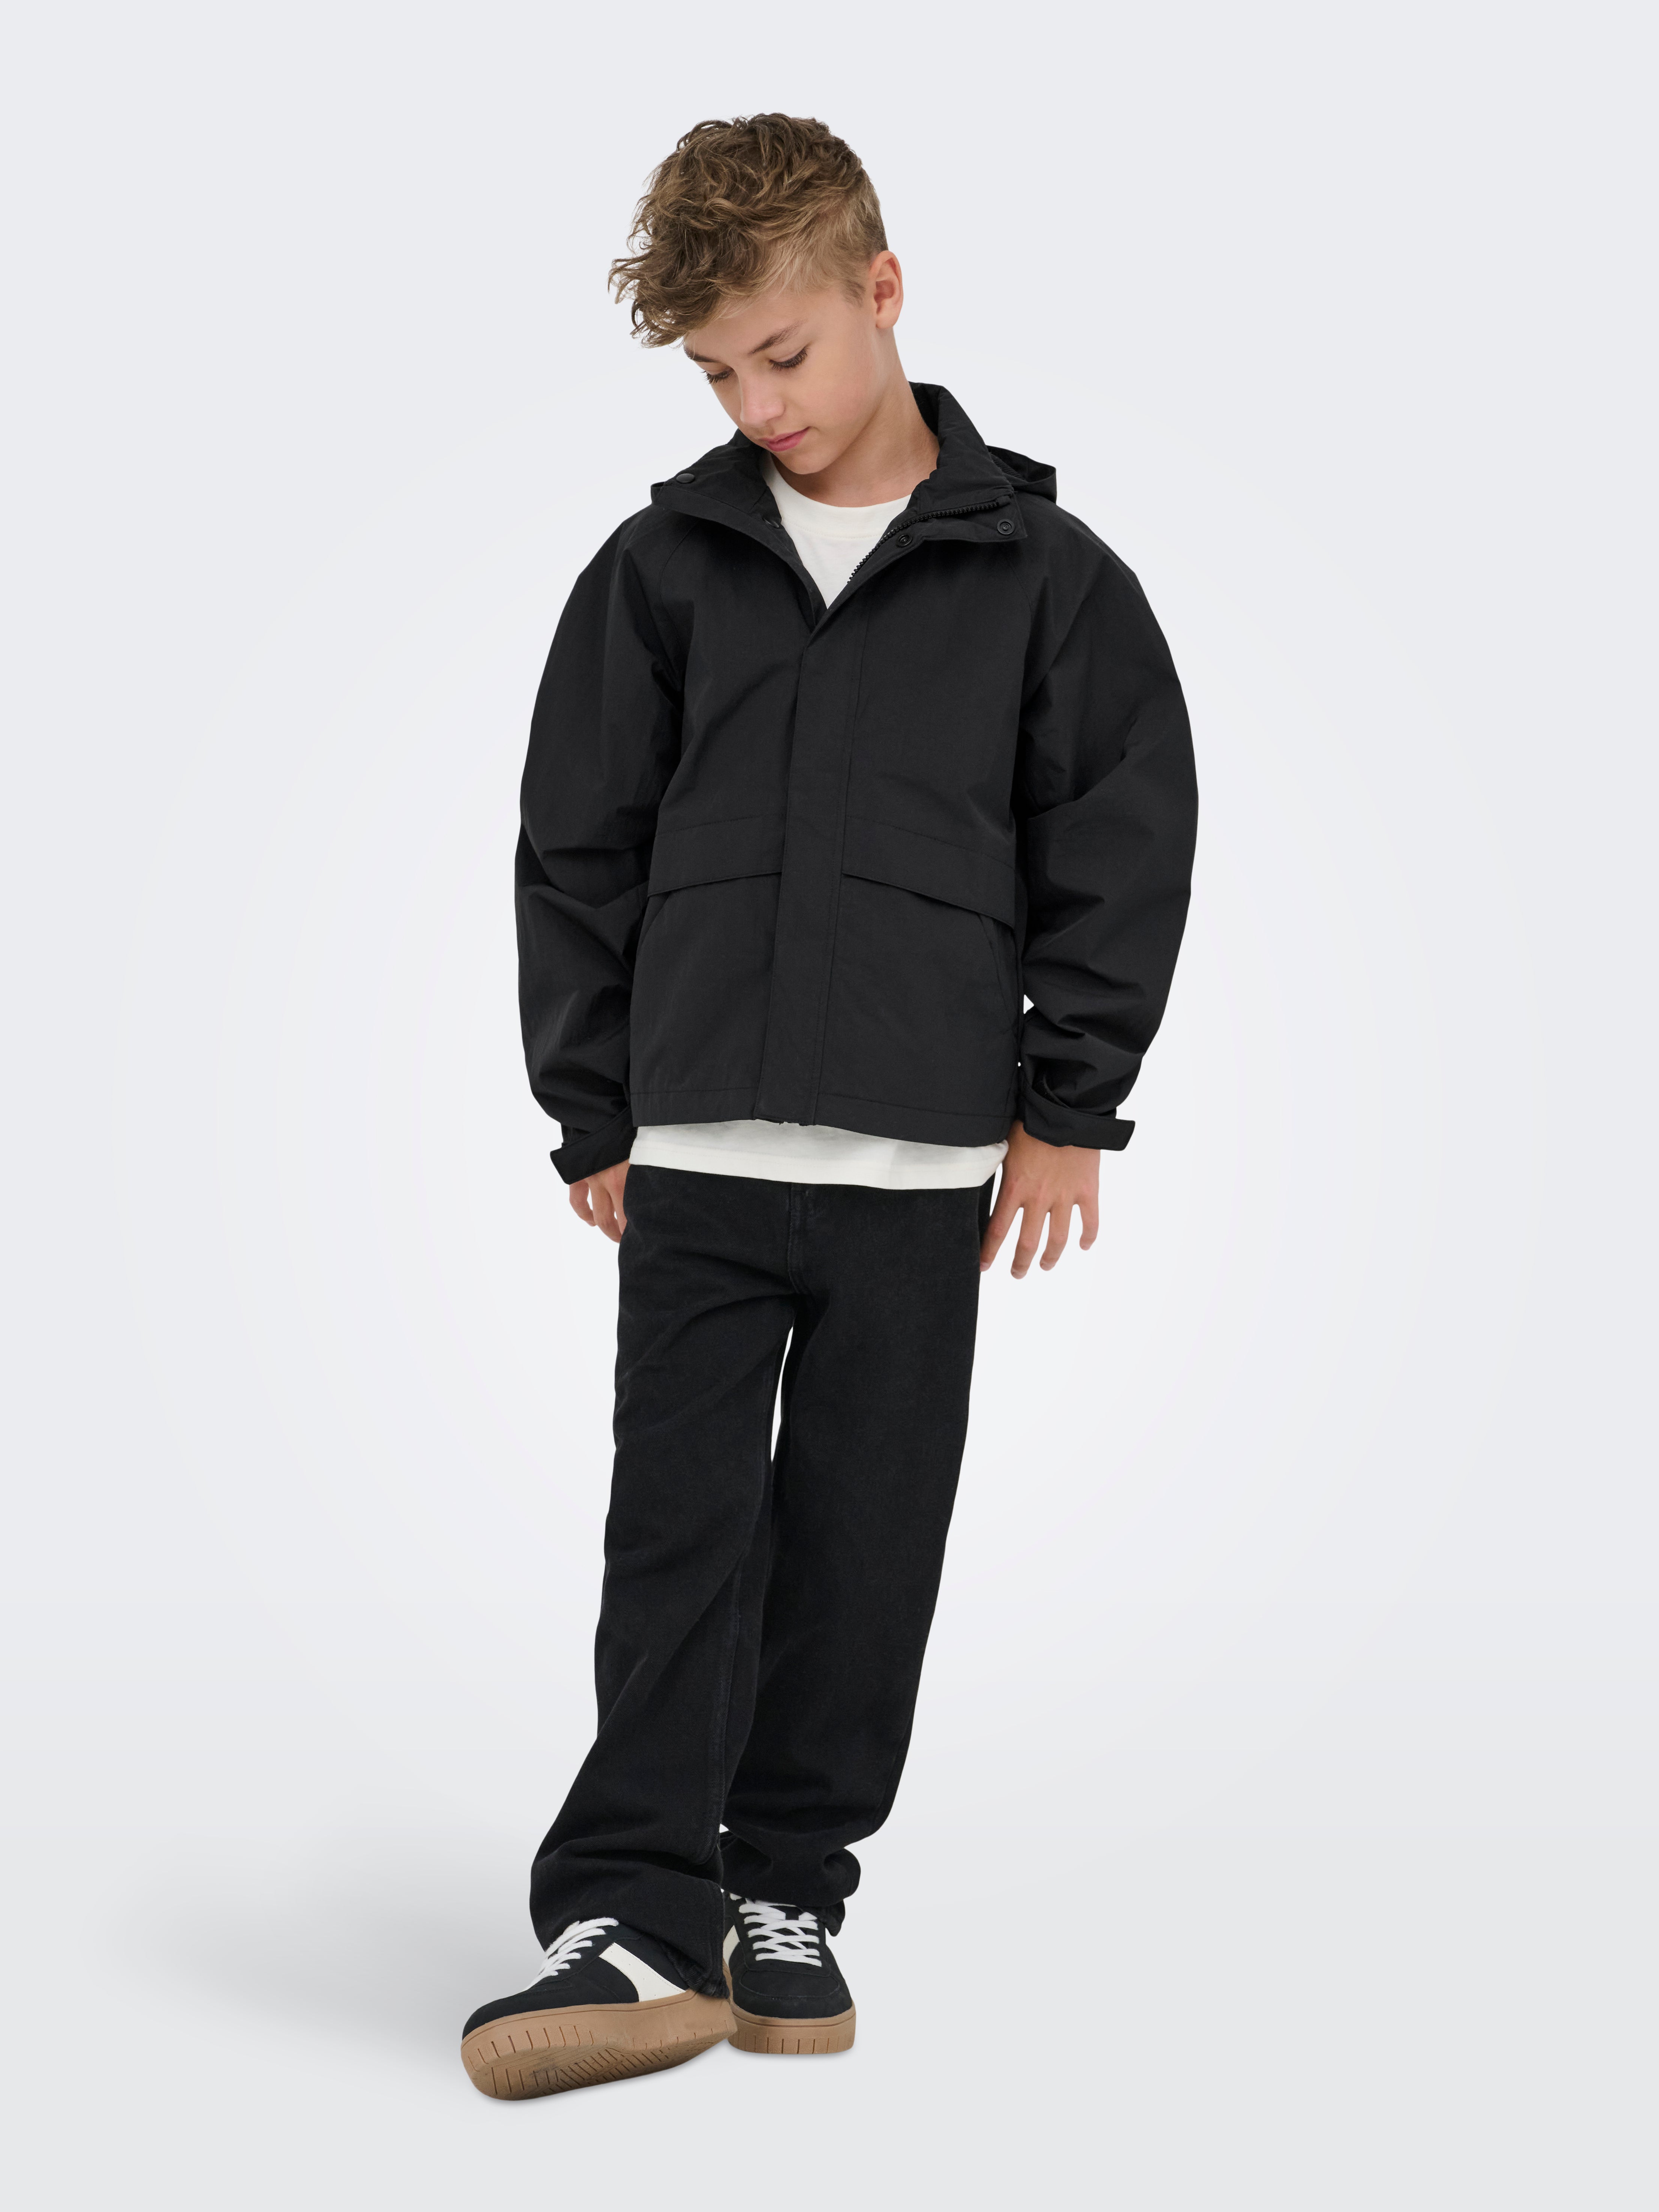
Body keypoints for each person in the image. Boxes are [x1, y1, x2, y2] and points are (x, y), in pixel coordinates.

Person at [460, 113, 1198, 2100]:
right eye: (718, 375)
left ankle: (785, 1890)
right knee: (678, 1535)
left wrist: (1071, 1108)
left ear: (882, 290)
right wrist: (592, 1107)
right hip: (698, 1151)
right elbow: (575, 845)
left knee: (869, 1540)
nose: (757, 404)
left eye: (781, 354)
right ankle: (632, 1906)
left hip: (921, 1163)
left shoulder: (1045, 578)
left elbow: (1119, 843)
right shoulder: (664, 571)